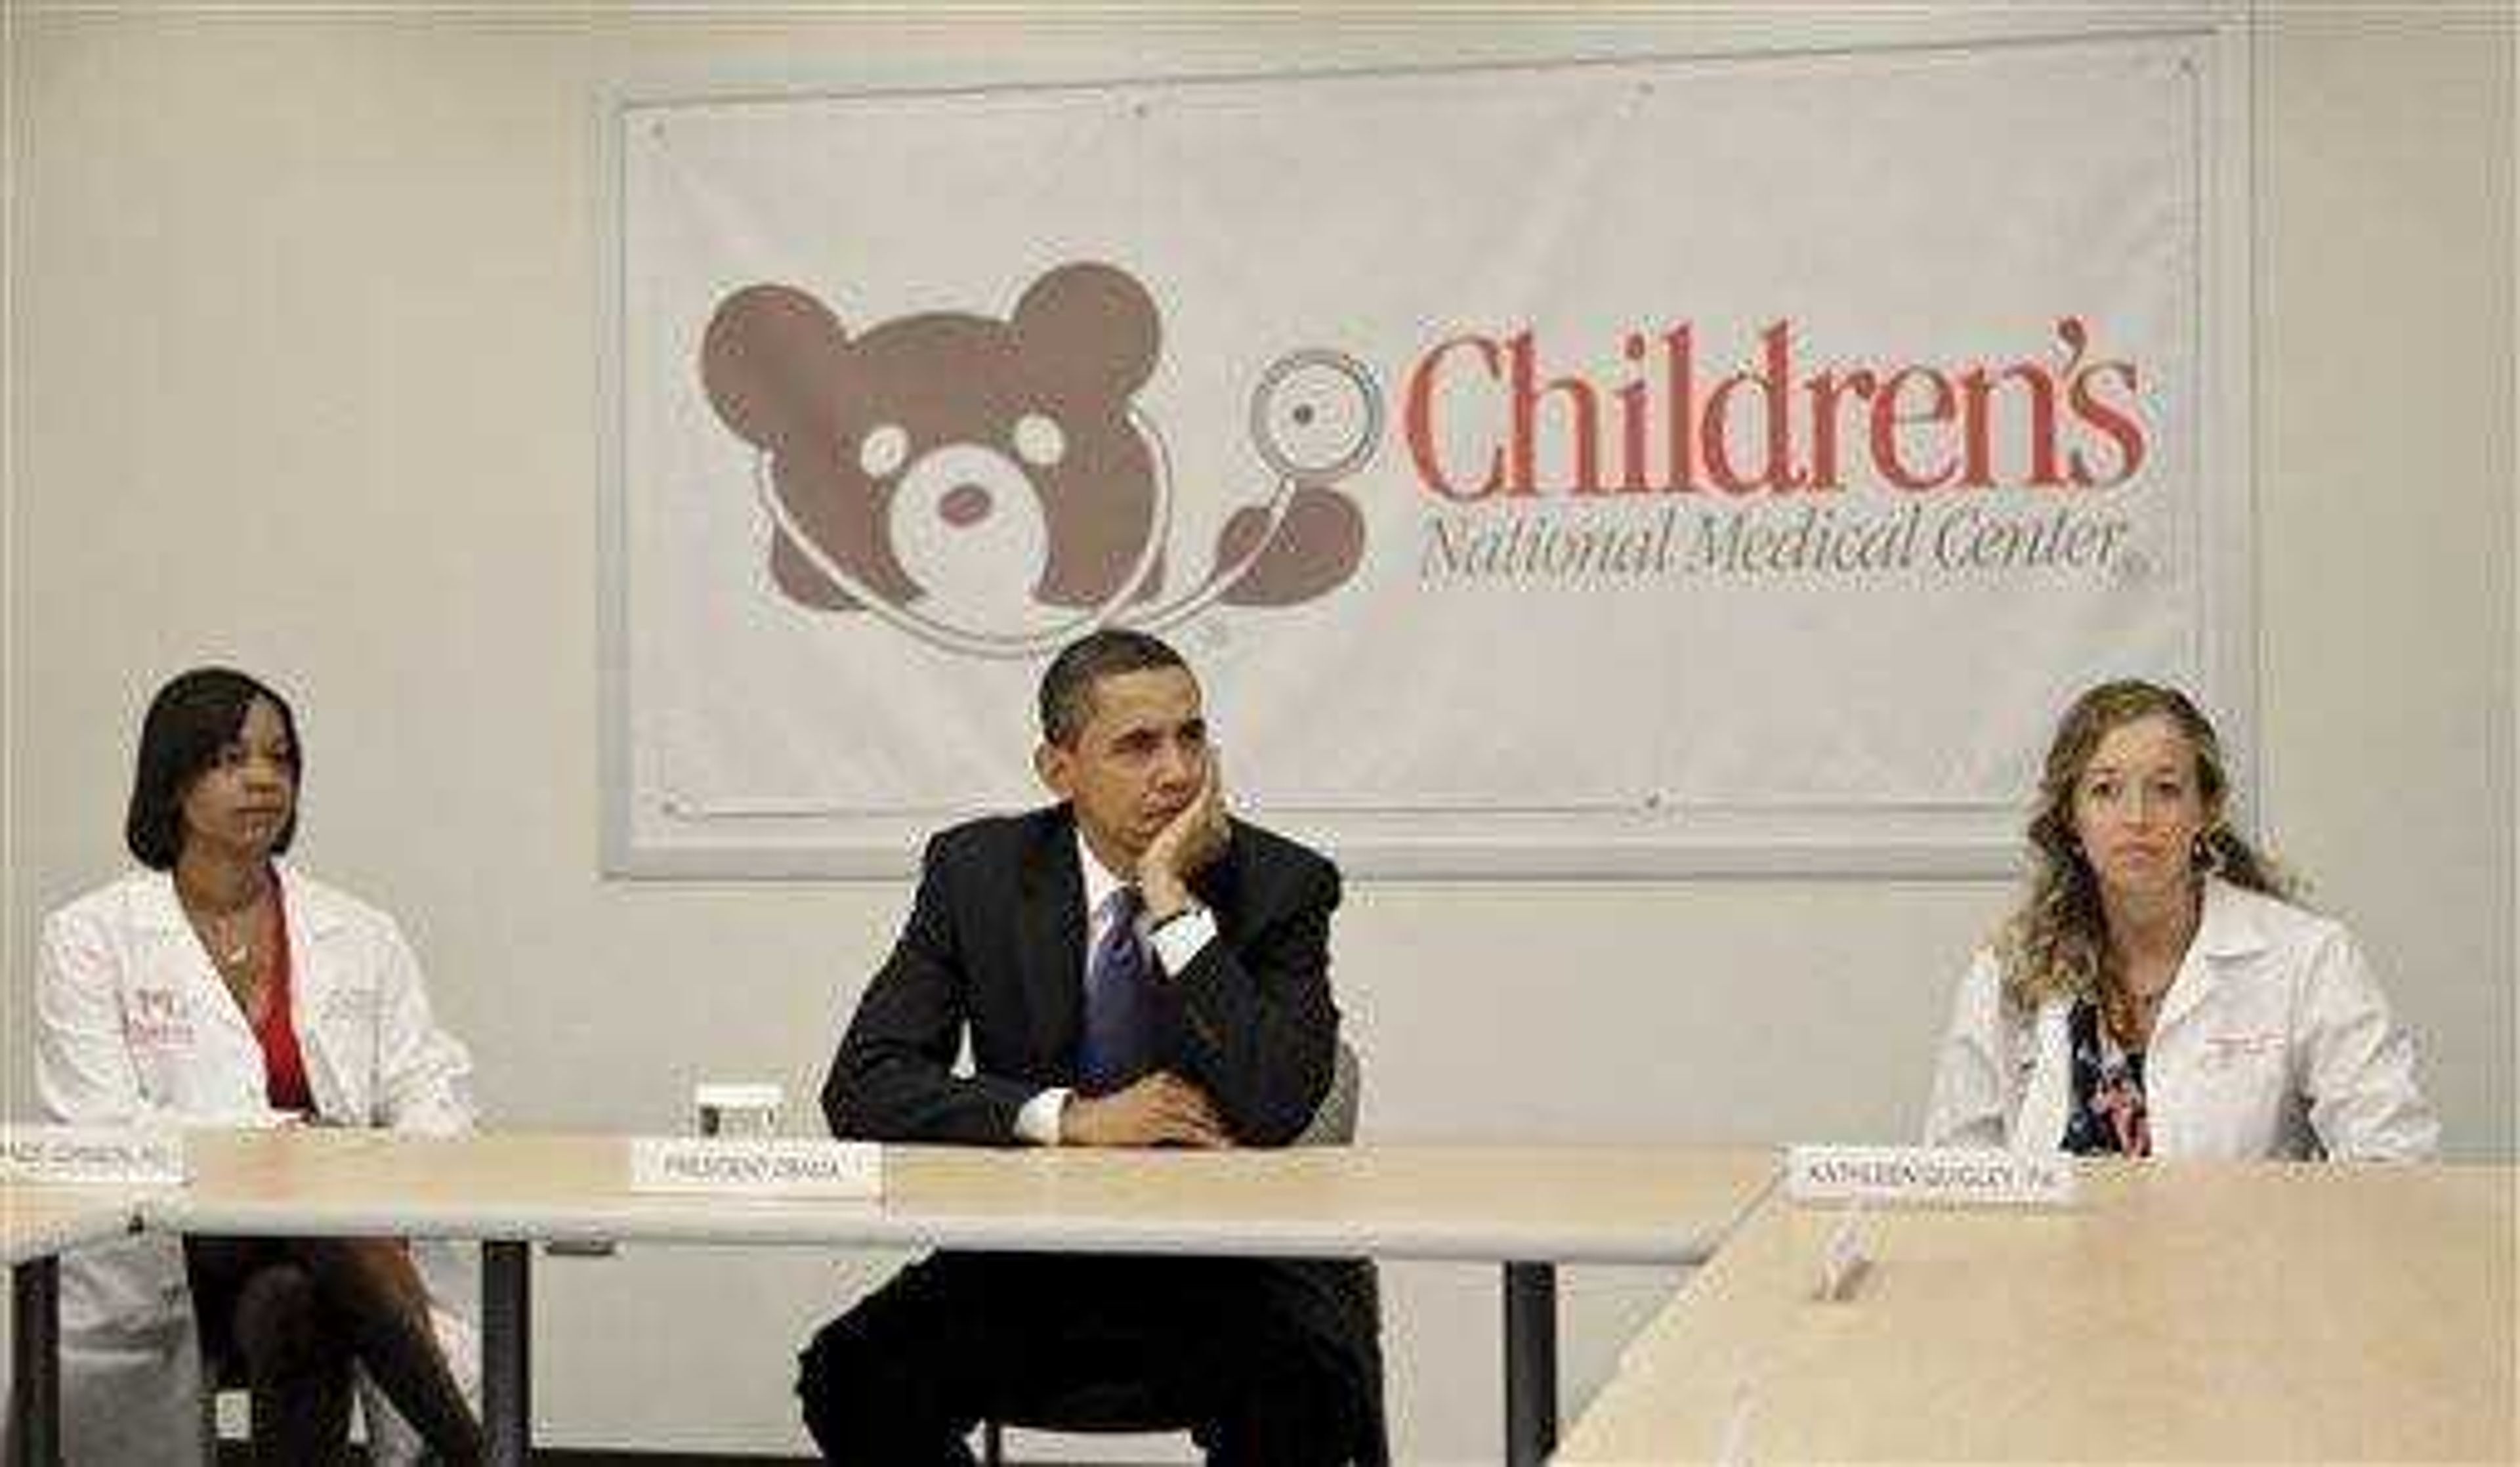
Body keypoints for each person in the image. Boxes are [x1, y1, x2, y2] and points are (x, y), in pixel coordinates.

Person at [796, 629, 1385, 1465]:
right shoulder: (978, 873)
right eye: (1139, 746)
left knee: (1308, 1393)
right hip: (1032, 1261)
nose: (1178, 771)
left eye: (1192, 736)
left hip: (1232, 1271)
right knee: (851, 1375)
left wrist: (1172, 905)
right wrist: (1069, 1118)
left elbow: (1280, 1105)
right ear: (1058, 768)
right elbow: (864, 1085)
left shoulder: (1282, 884)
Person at [33, 667, 484, 1465]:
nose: (263, 779)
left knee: (294, 1303)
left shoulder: (361, 932)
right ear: (173, 779)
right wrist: (295, 1149)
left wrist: (395, 1164)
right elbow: (101, 1123)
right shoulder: (89, 936)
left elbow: (429, 1086)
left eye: (281, 759)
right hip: (167, 1258)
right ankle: (474, 1451)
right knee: (313, 1219)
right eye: (231, 757)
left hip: (317, 1263)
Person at [1925, 678, 2439, 1159]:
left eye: (2166, 789)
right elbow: (1955, 1177)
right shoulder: (2008, 973)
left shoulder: (2309, 957)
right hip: (2051, 1257)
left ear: (2205, 811)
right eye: (2106, 790)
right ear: (2071, 820)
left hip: (2248, 1255)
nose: (2138, 817)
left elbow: (2393, 1155)